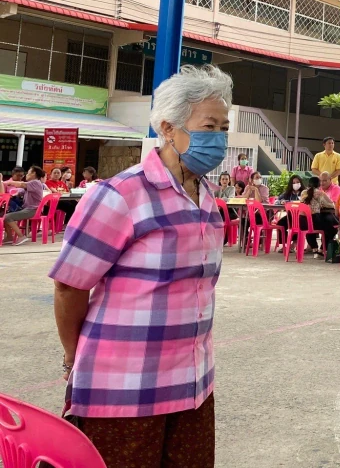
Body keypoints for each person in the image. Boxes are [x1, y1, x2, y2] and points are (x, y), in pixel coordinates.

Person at [49, 64, 232, 466]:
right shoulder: (121, 194)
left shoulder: (207, 198)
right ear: (169, 128)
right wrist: (71, 356)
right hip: (124, 389)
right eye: (208, 126)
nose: (218, 138)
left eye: (223, 127)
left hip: (193, 384)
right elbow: (70, 285)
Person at [2, 164, 46, 246]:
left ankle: (21, 236)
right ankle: (9, 237)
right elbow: (20, 190)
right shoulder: (30, 184)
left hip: (33, 210)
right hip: (28, 209)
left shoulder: (35, 182)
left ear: (34, 174)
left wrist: (5, 182)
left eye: (28, 173)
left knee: (8, 217)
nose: (26, 175)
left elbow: (21, 185)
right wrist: (15, 194)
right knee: (5, 215)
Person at [302, 176, 339, 260]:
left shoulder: (303, 192)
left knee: (310, 228)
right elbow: (331, 205)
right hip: (314, 220)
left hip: (303, 222)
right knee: (331, 229)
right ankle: (322, 250)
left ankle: (315, 249)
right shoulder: (320, 193)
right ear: (319, 185)